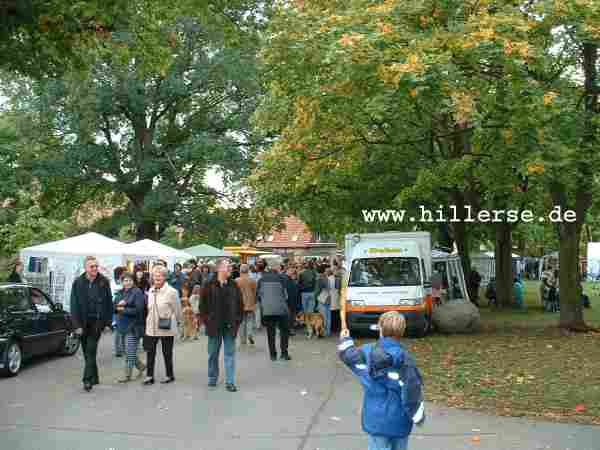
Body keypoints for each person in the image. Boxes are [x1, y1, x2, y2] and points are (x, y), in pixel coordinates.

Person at [338, 312, 425, 450]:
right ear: (402, 332)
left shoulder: (367, 352)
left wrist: (345, 339)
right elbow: (413, 390)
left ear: (380, 329)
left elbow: (348, 356)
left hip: (376, 419)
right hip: (400, 420)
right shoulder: (406, 359)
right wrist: (417, 414)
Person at [199, 259, 244, 392]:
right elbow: (202, 306)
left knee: (229, 354)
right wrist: (208, 320)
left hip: (230, 326)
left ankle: (230, 382)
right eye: (227, 266)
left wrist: (237, 321)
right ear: (219, 268)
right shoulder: (208, 284)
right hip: (214, 326)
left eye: (230, 266)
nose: (230, 268)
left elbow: (240, 305)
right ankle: (212, 378)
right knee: (213, 354)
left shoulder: (234, 284)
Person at [70, 256, 113, 392]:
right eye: (92, 266)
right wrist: (76, 325)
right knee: (87, 352)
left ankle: (87, 380)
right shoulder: (78, 282)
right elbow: (74, 305)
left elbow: (108, 303)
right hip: (82, 322)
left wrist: (107, 322)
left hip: (97, 322)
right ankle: (94, 377)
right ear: (86, 268)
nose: (95, 268)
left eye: (96, 266)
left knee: (91, 350)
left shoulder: (103, 282)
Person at [143, 265, 181, 385]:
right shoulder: (151, 290)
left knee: (167, 352)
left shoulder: (172, 292)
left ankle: (169, 375)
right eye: (155, 275)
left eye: (160, 275)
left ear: (165, 277)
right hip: (151, 326)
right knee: (150, 352)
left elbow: (177, 310)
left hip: (166, 326)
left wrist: (177, 321)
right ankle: (149, 376)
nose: (157, 277)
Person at [114, 272, 146, 382]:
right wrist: (119, 305)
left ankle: (127, 375)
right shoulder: (120, 293)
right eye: (125, 280)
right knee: (128, 351)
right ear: (122, 282)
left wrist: (123, 308)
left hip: (133, 327)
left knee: (129, 352)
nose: (127, 283)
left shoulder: (137, 292)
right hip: (121, 326)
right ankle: (141, 366)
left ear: (133, 281)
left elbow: (138, 309)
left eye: (129, 280)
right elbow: (114, 307)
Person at [257, 263, 291, 361]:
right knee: (284, 332)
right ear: (277, 270)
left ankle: (273, 355)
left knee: (270, 333)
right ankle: (284, 353)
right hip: (281, 310)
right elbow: (286, 296)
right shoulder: (283, 279)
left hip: (267, 311)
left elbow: (259, 296)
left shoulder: (261, 280)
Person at [235, 264, 257, 345]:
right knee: (250, 320)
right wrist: (254, 302)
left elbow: (235, 294)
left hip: (240, 304)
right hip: (250, 303)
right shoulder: (252, 280)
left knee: (242, 322)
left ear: (240, 270)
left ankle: (243, 339)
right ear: (248, 270)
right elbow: (255, 292)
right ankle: (250, 333)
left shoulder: (236, 280)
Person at [111, 266, 127, 357]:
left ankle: (121, 349)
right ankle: (119, 349)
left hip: (121, 308)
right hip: (118, 308)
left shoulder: (114, 283)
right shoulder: (117, 284)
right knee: (119, 329)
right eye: (124, 272)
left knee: (122, 329)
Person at [299, 262, 317, 332]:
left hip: (304, 293)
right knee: (311, 311)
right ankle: (312, 327)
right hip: (312, 293)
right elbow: (316, 283)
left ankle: (307, 327)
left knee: (305, 311)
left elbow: (299, 283)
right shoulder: (314, 273)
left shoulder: (301, 273)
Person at [315, 266, 332, 337]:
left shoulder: (319, 279)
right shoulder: (327, 278)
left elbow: (317, 291)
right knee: (328, 316)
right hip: (328, 298)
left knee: (322, 317)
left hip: (322, 299)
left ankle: (323, 332)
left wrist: (315, 297)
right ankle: (328, 332)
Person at [284, 267, 301, 335]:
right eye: (291, 272)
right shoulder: (288, 280)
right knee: (290, 317)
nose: (293, 274)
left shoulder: (289, 280)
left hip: (290, 301)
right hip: (290, 301)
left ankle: (288, 329)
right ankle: (289, 330)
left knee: (290, 316)